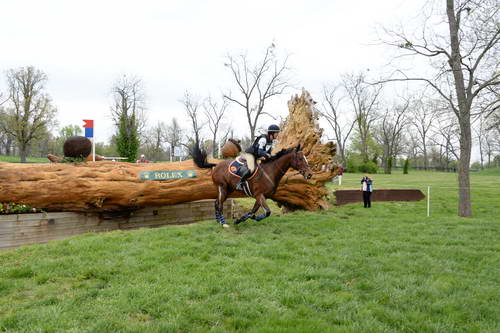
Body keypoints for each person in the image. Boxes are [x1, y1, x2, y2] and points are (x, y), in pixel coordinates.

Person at [235, 124, 281, 190]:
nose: (277, 135)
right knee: (251, 169)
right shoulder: (263, 139)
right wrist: (266, 155)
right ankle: (240, 183)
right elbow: (260, 151)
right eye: (277, 133)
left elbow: (268, 152)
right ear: (272, 133)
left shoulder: (271, 141)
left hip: (258, 155)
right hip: (251, 154)